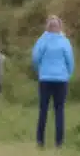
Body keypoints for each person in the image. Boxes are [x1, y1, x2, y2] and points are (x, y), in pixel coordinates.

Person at [31, 15, 74, 148]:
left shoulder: (42, 41)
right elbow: (70, 60)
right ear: (60, 27)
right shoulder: (65, 41)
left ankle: (40, 141)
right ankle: (59, 142)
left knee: (43, 109)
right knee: (59, 110)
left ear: (47, 27)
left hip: (45, 79)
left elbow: (35, 58)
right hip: (61, 79)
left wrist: (39, 71)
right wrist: (68, 74)